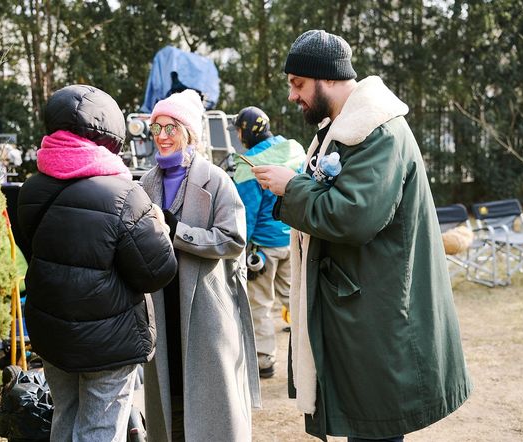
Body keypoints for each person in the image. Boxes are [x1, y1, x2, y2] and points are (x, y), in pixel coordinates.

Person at [252, 30, 472, 441]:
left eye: (298, 84)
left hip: (380, 314)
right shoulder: (338, 130)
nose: (292, 96)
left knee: (377, 429)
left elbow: (352, 217)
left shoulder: (379, 133)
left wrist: (291, 187)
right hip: (360, 312)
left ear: (329, 77)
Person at [17, 84, 178, 441]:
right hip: (109, 340)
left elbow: (36, 250)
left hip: (52, 331)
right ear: (110, 135)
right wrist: (159, 227)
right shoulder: (124, 194)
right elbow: (157, 271)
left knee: (64, 418)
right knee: (100, 430)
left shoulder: (32, 189)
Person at [140, 89, 261, 441]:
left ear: (189, 132)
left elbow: (234, 238)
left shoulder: (218, 180)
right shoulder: (146, 183)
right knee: (169, 397)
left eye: (170, 128)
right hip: (162, 307)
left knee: (210, 408)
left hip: (206, 311)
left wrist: (179, 232)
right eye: (156, 128)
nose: (162, 137)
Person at [231, 106, 305, 378]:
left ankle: (264, 361)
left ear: (247, 131)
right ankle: (310, 354)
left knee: (260, 304)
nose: (239, 136)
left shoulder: (250, 162)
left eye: (239, 130)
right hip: (293, 238)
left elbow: (245, 212)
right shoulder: (294, 150)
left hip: (262, 247)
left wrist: (238, 248)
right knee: (295, 299)